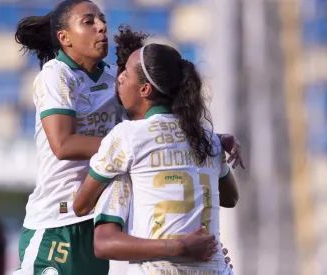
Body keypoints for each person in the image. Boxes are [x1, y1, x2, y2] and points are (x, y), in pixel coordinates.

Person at [13, 1, 243, 274]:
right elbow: (63, 144)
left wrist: (211, 139)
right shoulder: (56, 75)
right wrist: (125, 149)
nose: (101, 27)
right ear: (64, 38)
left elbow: (153, 128)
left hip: (99, 215)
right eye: (88, 22)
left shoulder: (114, 79)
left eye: (102, 20)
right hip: (58, 220)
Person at [73, 43, 239, 274]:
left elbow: (81, 206)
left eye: (126, 73)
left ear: (145, 90)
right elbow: (231, 198)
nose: (119, 78)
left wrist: (179, 246)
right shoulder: (208, 139)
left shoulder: (126, 137)